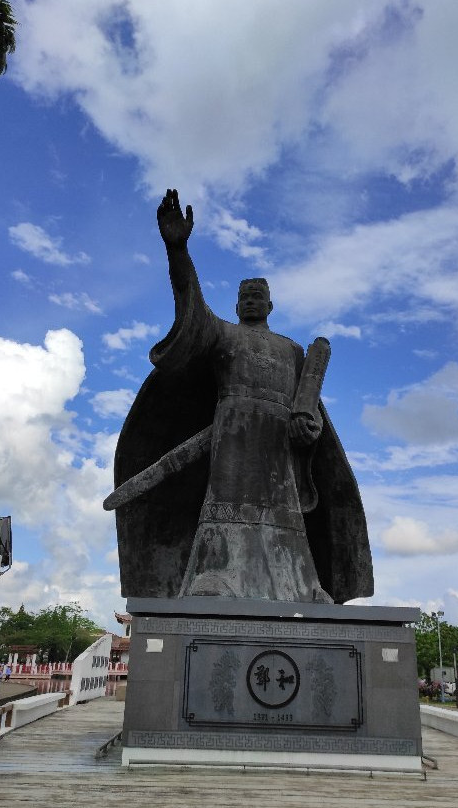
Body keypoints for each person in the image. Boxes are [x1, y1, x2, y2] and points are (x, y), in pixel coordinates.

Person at [112, 189, 373, 603]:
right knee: (226, 501)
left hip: (278, 443)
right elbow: (192, 309)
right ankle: (215, 575)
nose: (251, 302)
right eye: (244, 298)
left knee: (287, 510)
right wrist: (178, 250)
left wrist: (309, 427)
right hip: (232, 436)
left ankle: (302, 585)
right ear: (236, 307)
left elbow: (308, 407)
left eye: (257, 298)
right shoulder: (224, 335)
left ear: (270, 305)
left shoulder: (293, 350)